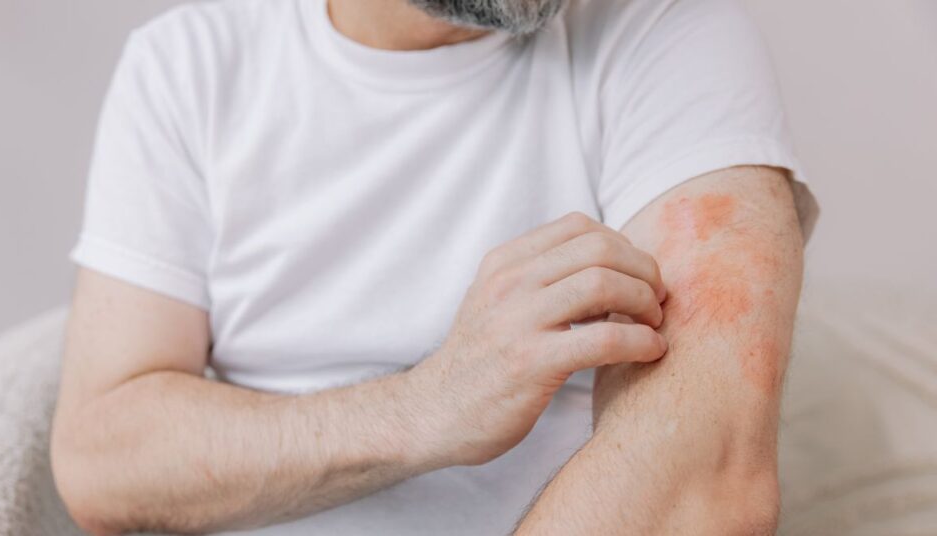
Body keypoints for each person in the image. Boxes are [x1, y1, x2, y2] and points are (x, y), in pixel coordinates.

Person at [50, 0, 818, 533]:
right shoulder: (186, 69)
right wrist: (427, 407)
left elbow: (705, 481)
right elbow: (100, 458)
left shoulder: (667, 29)